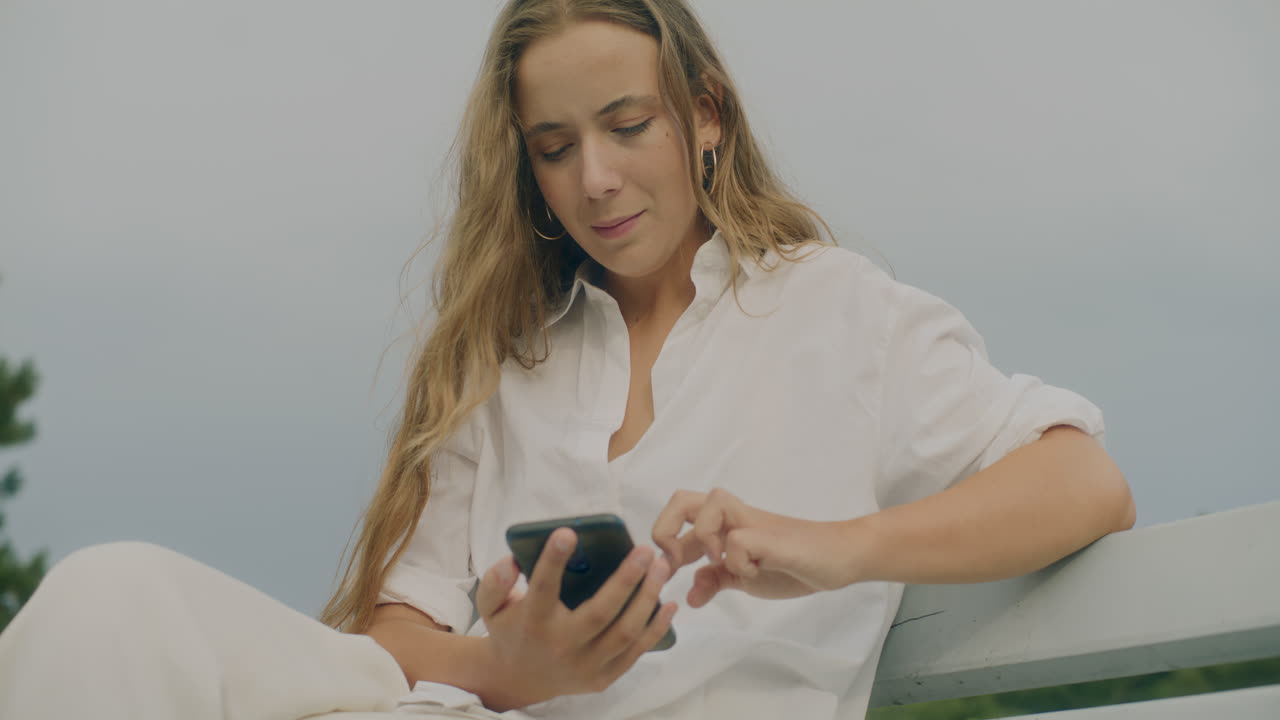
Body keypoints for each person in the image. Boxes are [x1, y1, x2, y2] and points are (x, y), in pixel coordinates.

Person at [0, 1, 1136, 719]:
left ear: (705, 115)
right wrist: (516, 668)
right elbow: (394, 637)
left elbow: (1083, 481)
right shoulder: (511, 366)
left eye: (627, 126)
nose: (594, 179)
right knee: (110, 601)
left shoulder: (839, 314)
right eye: (554, 147)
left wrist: (832, 548)